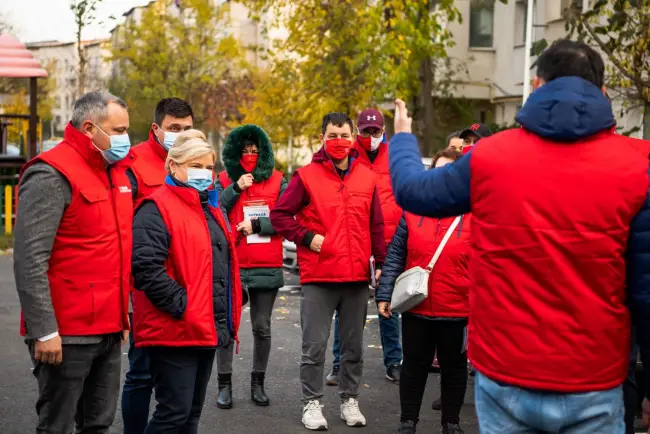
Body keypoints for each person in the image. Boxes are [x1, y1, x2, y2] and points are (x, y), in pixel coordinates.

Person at [388, 39, 650, 434]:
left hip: (507, 373)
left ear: (535, 84)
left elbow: (414, 192)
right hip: (593, 378)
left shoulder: (492, 157)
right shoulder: (638, 165)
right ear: (604, 91)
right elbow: (646, 292)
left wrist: (404, 137)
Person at [14, 90, 133, 433]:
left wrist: (122, 314)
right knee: (58, 426)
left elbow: (117, 251)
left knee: (99, 423)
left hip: (108, 327)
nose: (126, 139)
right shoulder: (51, 174)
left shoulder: (115, 172)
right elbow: (30, 259)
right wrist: (44, 329)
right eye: (119, 130)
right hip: (65, 334)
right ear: (89, 127)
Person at [271, 112, 387, 430]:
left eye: (344, 135)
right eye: (333, 135)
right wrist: (308, 238)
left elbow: (376, 224)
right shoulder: (306, 176)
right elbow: (280, 215)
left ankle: (350, 400)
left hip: (356, 278)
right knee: (314, 346)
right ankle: (312, 403)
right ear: (322, 137)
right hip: (320, 276)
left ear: (353, 138)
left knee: (353, 347)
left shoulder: (367, 175)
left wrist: (382, 264)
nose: (339, 141)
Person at [131, 130, 243, 433]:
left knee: (191, 414)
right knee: (172, 414)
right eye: (196, 165)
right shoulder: (156, 208)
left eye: (209, 167)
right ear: (173, 166)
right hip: (176, 330)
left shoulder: (210, 206)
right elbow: (146, 268)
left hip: (206, 327)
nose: (204, 174)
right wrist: (185, 305)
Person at [376, 149, 468, 434]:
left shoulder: (475, 214)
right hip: (417, 306)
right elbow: (395, 256)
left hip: (459, 309)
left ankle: (450, 423)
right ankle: (408, 422)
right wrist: (384, 293)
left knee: (454, 369)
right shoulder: (414, 211)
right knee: (413, 367)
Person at [122, 97, 194, 434]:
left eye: (187, 128)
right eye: (173, 129)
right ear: (157, 129)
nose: (180, 135)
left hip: (187, 285)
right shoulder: (133, 162)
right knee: (141, 373)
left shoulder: (196, 162)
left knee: (180, 379)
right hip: (148, 286)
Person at [327, 109, 403, 388]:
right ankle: (339, 363)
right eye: (366, 131)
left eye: (376, 131)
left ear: (383, 131)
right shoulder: (347, 153)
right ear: (358, 131)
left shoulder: (394, 155)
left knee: (389, 304)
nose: (371, 136)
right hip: (355, 237)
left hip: (390, 240)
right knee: (345, 307)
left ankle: (394, 362)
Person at [214, 124, 288, 409]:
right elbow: (215, 210)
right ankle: (224, 385)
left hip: (266, 264)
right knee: (227, 326)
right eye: (244, 151)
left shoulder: (279, 181)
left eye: (255, 151)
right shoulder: (223, 179)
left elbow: (285, 218)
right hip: (232, 263)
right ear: (234, 153)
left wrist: (257, 224)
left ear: (264, 153)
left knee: (262, 327)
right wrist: (235, 188)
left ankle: (258, 384)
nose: (249, 156)